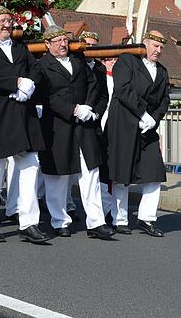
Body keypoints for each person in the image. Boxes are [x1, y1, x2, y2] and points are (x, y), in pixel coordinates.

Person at [0, 4, 50, 245]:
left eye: (9, 20)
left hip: (23, 115)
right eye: (2, 20)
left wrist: (29, 85)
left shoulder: (19, 47)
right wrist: (16, 83)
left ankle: (29, 222)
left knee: (29, 167)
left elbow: (36, 69)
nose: (7, 24)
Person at [36, 26, 113, 239]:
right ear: (47, 44)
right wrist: (72, 109)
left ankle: (96, 222)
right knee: (58, 177)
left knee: (91, 174)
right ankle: (59, 220)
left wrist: (89, 108)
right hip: (58, 127)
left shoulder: (78, 62)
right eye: (58, 41)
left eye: (64, 40)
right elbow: (47, 96)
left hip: (84, 126)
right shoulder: (42, 66)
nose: (63, 44)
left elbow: (93, 85)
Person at [105, 30, 171, 238]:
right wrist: (142, 113)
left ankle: (147, 218)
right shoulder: (127, 61)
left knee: (154, 173)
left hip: (147, 127)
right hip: (124, 124)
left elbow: (165, 99)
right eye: (154, 45)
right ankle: (120, 218)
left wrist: (153, 119)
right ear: (144, 43)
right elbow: (123, 90)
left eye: (161, 47)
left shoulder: (162, 71)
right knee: (122, 174)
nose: (158, 51)